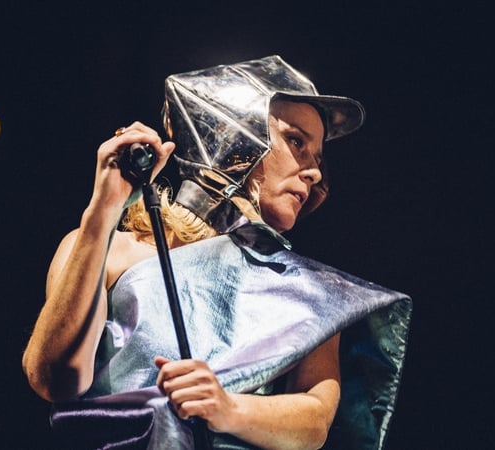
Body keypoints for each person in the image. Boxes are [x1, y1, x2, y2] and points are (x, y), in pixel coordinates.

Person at [22, 55, 411, 450]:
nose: (313, 172)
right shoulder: (110, 250)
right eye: (296, 141)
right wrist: (102, 213)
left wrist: (227, 408)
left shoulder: (311, 294)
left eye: (318, 158)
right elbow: (55, 379)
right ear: (234, 135)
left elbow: (314, 420)